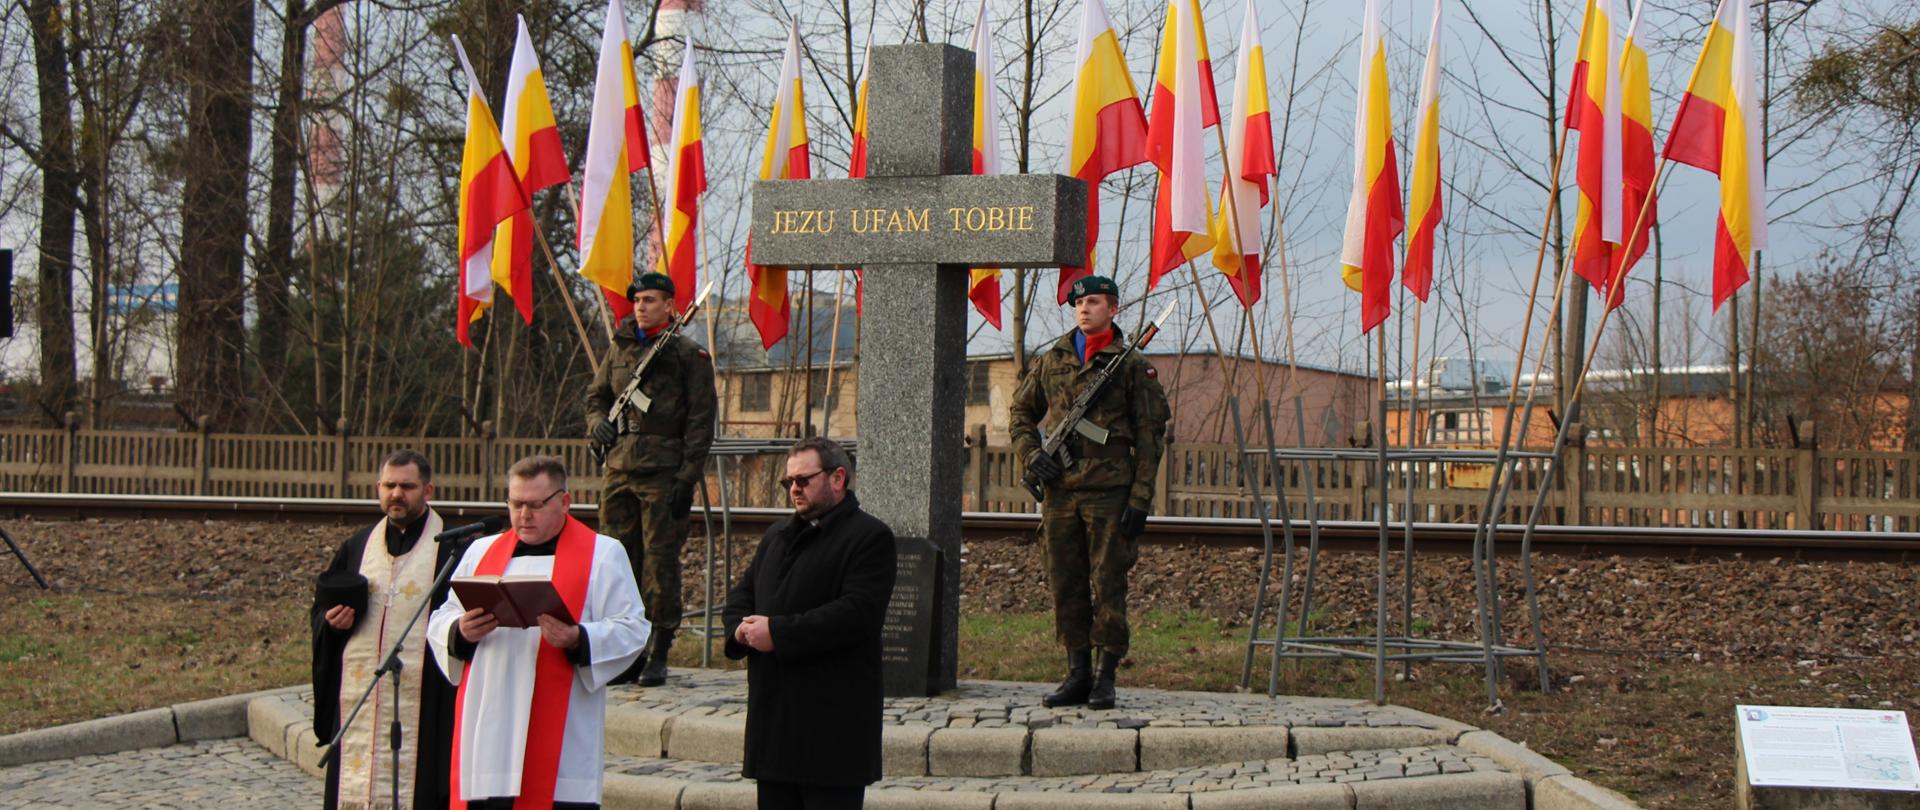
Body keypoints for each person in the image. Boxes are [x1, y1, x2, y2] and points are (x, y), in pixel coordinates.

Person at [427, 455, 650, 809]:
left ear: (564, 502)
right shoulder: (481, 551)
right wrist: (459, 630)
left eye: (535, 505)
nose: (523, 515)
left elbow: (633, 629)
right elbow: (443, 617)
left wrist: (579, 638)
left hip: (561, 740)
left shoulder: (602, 554)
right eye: (515, 504)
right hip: (488, 732)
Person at [1008, 275, 1172, 711]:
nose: (1084, 309)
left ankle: (1105, 676)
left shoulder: (1132, 365)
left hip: (1109, 492)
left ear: (1112, 309)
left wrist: (1140, 498)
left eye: (1094, 302)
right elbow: (1021, 413)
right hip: (1061, 491)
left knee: (1108, 582)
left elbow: (1150, 435)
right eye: (1078, 304)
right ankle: (1077, 671)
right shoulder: (1052, 359)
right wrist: (1031, 454)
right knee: (1066, 582)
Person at [723, 438, 896, 810]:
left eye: (803, 480)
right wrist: (739, 629)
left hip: (831, 735)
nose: (794, 489)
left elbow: (856, 614)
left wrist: (778, 634)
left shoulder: (870, 537)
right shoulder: (777, 536)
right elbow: (742, 594)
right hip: (774, 730)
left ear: (838, 478)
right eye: (788, 482)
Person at [586, 271, 716, 686]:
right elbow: (597, 397)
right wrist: (597, 425)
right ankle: (624, 649)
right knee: (618, 562)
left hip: (663, 474)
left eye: (650, 300)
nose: (641, 307)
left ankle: (659, 648)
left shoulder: (686, 355)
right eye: (638, 300)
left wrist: (687, 476)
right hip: (620, 469)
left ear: (669, 305)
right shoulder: (620, 349)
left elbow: (700, 421)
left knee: (659, 564)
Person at [310, 448, 457, 810]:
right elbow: (321, 611)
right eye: (389, 485)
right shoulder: (357, 546)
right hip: (361, 696)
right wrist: (331, 625)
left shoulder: (453, 547)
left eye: (407, 486)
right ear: (378, 487)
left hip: (425, 700)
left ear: (428, 490)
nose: (396, 494)